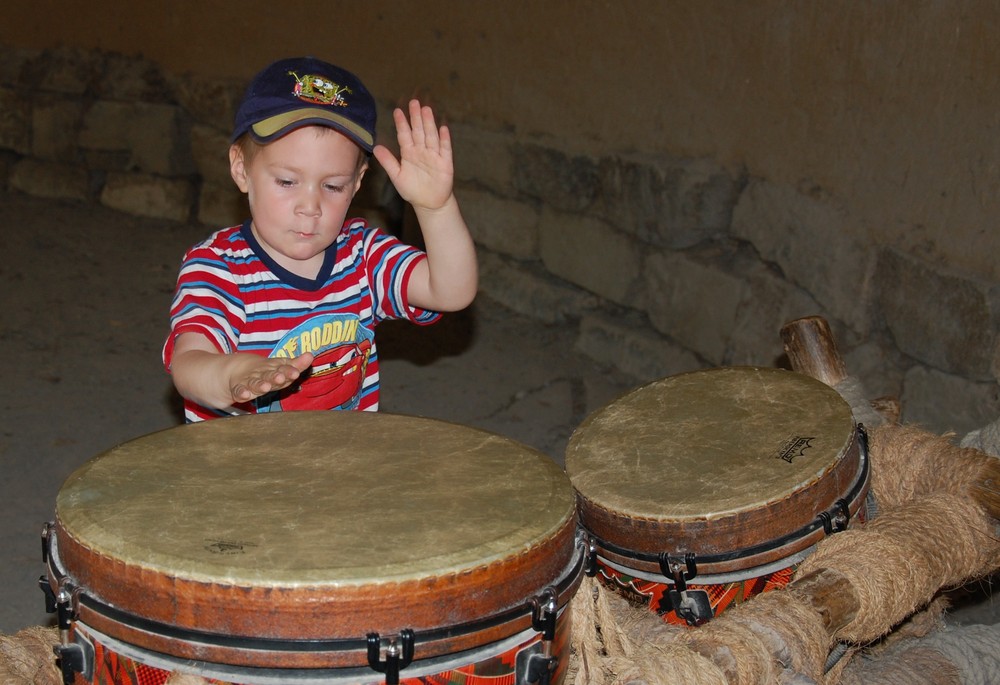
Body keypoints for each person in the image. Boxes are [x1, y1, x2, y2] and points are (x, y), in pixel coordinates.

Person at [162, 57, 477, 421]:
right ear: (241, 169)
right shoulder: (218, 266)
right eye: (286, 181)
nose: (310, 206)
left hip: (339, 463)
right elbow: (188, 364)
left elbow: (452, 291)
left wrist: (436, 209)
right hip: (237, 472)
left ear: (357, 183)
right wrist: (231, 374)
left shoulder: (362, 255)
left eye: (332, 185)